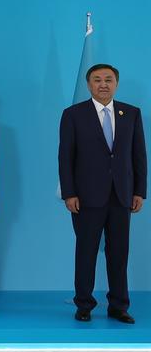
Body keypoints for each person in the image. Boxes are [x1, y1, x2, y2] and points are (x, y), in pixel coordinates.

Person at [59, 63, 145, 324]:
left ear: (116, 83)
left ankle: (118, 305)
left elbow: (138, 155)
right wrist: (69, 193)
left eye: (108, 79)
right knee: (85, 252)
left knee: (119, 254)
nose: (103, 84)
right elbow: (65, 157)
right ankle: (84, 304)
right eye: (97, 79)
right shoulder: (73, 114)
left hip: (122, 195)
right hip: (85, 197)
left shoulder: (130, 113)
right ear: (89, 85)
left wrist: (139, 190)